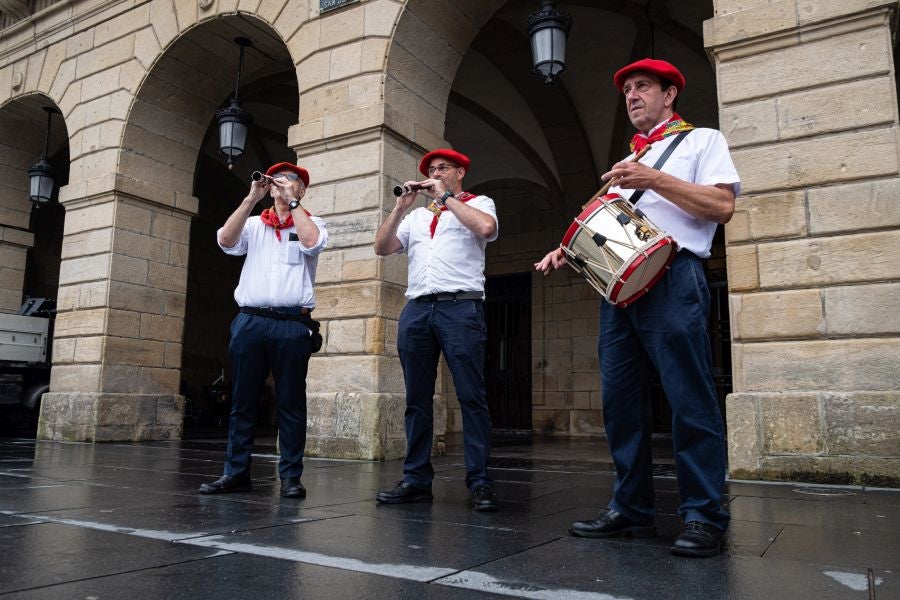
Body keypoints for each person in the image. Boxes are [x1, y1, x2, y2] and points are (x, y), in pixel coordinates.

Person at [536, 58, 740, 557]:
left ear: (669, 95)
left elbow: (721, 207)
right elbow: (602, 219)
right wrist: (570, 246)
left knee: (689, 397)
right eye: (627, 89)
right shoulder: (629, 162)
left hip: (674, 277)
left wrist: (652, 179)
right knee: (621, 404)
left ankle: (704, 515)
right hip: (619, 290)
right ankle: (631, 509)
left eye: (642, 87)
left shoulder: (700, 141)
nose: (631, 96)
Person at [374, 148, 500, 512]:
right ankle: (415, 479)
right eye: (431, 170)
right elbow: (382, 247)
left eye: (443, 168)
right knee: (416, 399)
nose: (435, 172)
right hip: (417, 309)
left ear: (460, 172)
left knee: (471, 395)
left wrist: (445, 197)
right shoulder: (415, 218)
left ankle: (479, 481)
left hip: (461, 307)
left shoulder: (480, 203)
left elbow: (486, 229)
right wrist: (401, 207)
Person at [199, 161, 327, 499]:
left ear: (301, 189)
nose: (280, 183)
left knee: (290, 402)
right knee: (242, 401)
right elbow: (225, 240)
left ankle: (290, 477)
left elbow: (313, 244)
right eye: (277, 179)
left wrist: (293, 204)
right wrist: (250, 199)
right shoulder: (255, 224)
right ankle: (236, 472)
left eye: (289, 179)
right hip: (251, 320)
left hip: (292, 323)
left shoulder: (312, 223)